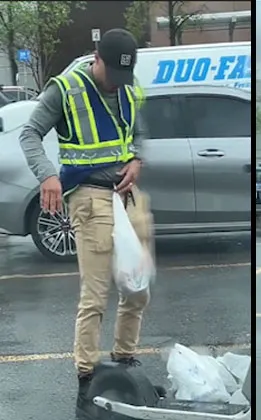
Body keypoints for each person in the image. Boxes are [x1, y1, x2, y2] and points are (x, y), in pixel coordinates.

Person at [18, 29, 153, 416]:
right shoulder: (66, 88)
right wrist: (47, 176)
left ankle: (124, 366)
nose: (116, 84)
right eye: (111, 74)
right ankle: (88, 379)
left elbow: (138, 129)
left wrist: (136, 158)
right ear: (97, 57)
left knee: (138, 288)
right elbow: (30, 133)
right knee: (95, 295)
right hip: (89, 197)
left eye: (122, 78)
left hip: (126, 195)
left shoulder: (128, 86)